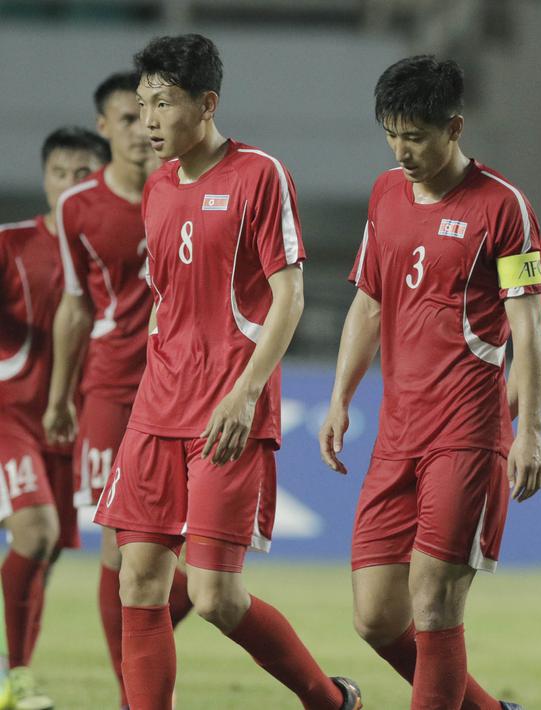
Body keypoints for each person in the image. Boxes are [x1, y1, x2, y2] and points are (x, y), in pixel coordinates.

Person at [92, 33, 360, 710]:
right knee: (138, 581)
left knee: (213, 595)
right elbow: (168, 304)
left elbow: (288, 296)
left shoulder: (258, 175)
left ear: (207, 103)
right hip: (157, 410)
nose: (149, 120)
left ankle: (328, 701)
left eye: (164, 103)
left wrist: (245, 395)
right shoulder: (156, 188)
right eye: (143, 103)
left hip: (227, 411)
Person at [318, 55, 541, 710]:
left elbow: (527, 329)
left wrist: (527, 429)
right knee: (376, 617)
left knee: (435, 599)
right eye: (391, 133)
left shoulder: (504, 207)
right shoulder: (385, 193)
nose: (402, 149)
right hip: (396, 432)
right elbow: (369, 301)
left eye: (414, 135)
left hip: (466, 434)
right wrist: (339, 396)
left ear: (454, 126)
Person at [44, 70, 194, 709]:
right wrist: (59, 398)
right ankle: (135, 694)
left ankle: (141, 664)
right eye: (127, 119)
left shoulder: (183, 190)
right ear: (105, 129)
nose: (142, 130)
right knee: (118, 546)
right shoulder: (77, 207)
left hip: (187, 390)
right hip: (110, 391)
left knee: (197, 572)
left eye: (149, 115)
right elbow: (75, 308)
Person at [0, 126, 110, 710]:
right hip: (9, 417)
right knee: (36, 533)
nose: (71, 184)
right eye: (61, 173)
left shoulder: (111, 248)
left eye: (83, 173)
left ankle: (15, 674)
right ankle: (13, 673)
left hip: (74, 423)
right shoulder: (11, 243)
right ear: (45, 179)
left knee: (47, 552)